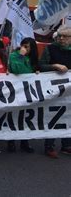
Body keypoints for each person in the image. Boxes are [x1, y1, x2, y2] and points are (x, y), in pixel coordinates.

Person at [39, 26, 71, 158]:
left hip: (68, 92)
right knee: (53, 117)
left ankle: (66, 145)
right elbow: (40, 65)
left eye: (65, 37)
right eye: (60, 36)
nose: (61, 39)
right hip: (53, 90)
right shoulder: (50, 49)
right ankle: (49, 146)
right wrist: (54, 66)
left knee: (68, 117)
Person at [7, 37, 39, 153]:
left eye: (27, 47)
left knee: (27, 118)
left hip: (28, 92)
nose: (24, 48)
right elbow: (17, 70)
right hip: (15, 91)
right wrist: (21, 56)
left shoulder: (32, 58)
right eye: (23, 45)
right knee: (14, 116)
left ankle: (25, 142)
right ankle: (11, 141)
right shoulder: (14, 56)